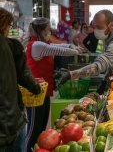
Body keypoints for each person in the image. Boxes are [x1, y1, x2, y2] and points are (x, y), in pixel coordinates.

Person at [24, 18, 83, 152]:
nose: (50, 31)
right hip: (34, 93)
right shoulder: (36, 45)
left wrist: (71, 46)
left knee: (41, 129)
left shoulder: (43, 42)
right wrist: (74, 51)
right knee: (33, 130)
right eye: (47, 29)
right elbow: (57, 50)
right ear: (40, 31)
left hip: (43, 92)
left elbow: (60, 46)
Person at [58, 10, 113, 88]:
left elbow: (98, 66)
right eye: (94, 27)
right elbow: (112, 65)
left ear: (112, 25)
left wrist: (71, 74)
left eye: (99, 27)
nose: (95, 31)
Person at [0, 8, 27, 152]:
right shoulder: (10, 45)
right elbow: (24, 76)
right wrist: (35, 88)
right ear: (4, 25)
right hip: (9, 121)